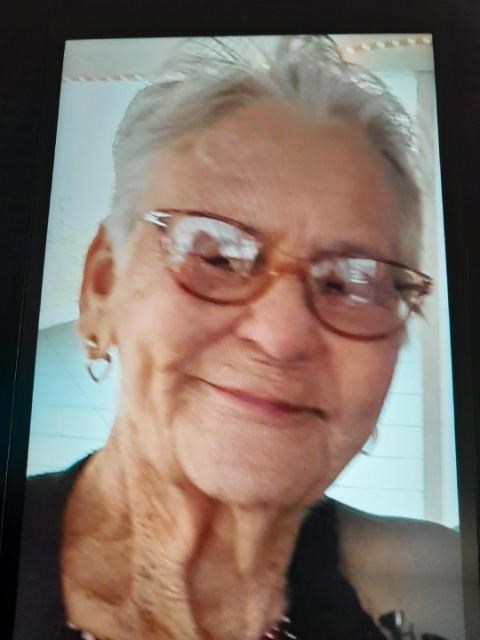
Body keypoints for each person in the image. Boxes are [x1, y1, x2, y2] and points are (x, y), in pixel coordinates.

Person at [13, 36, 463, 640]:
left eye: (351, 282)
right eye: (217, 256)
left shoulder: (450, 595)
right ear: (102, 287)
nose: (281, 337)